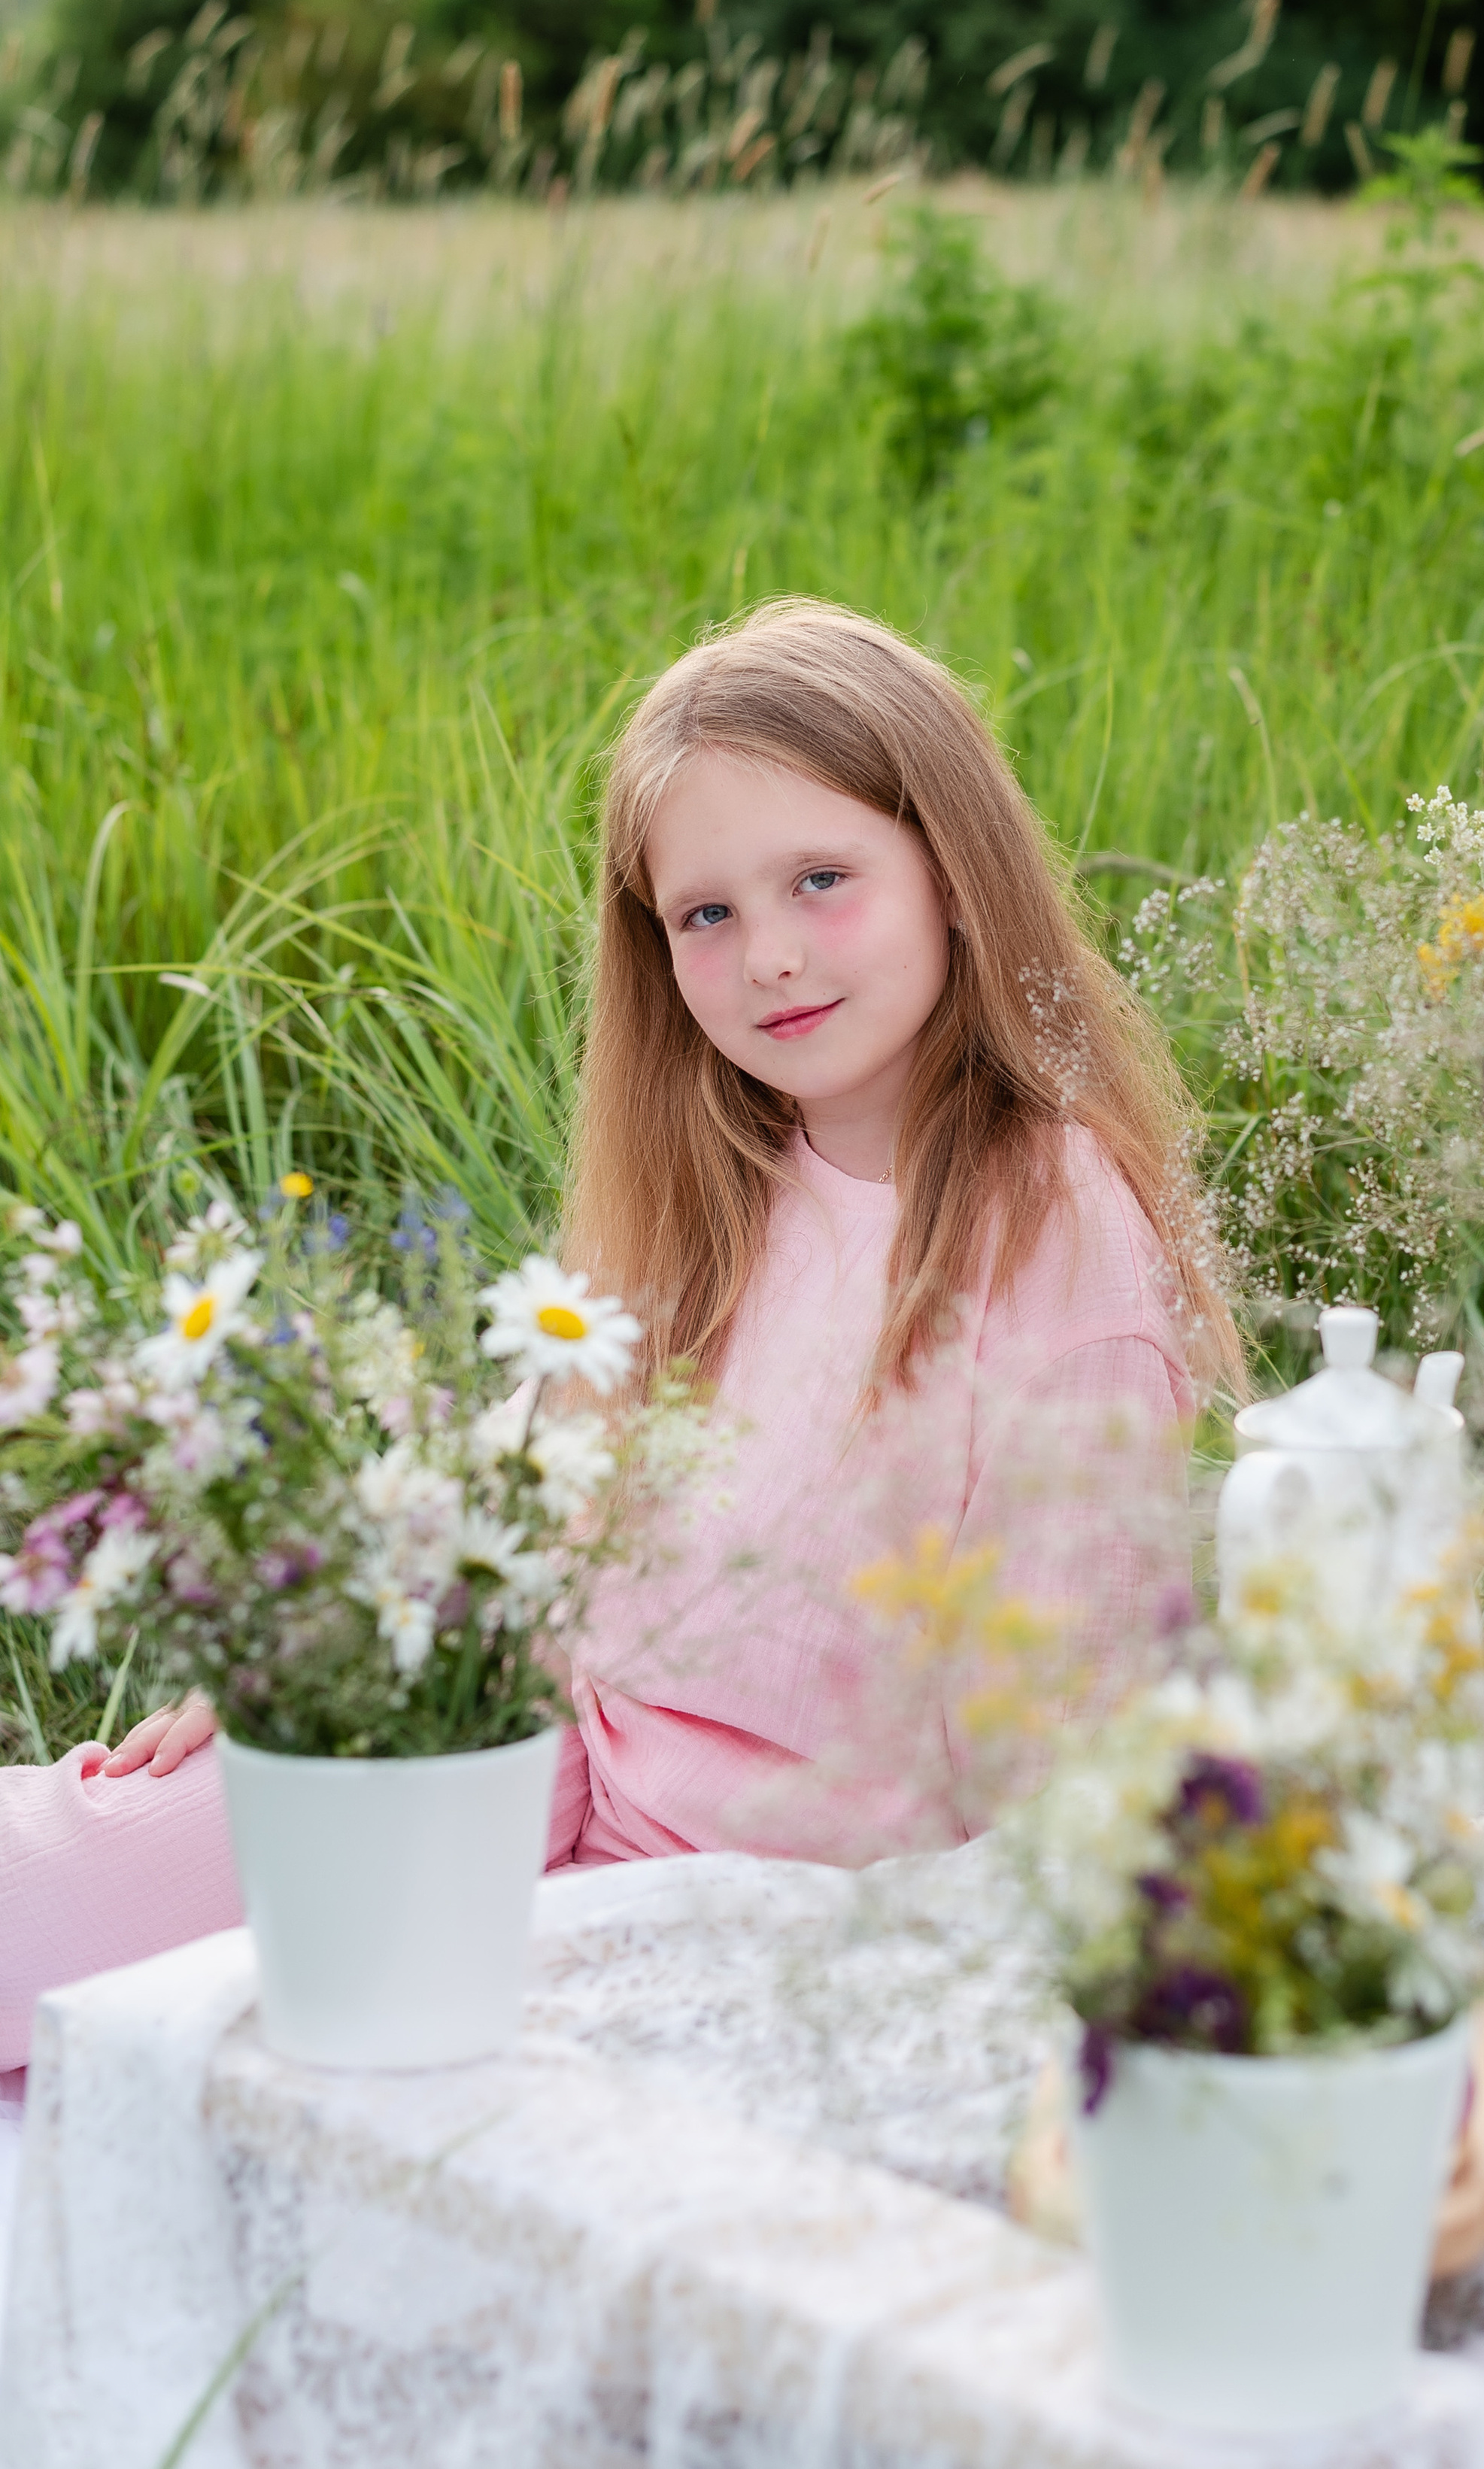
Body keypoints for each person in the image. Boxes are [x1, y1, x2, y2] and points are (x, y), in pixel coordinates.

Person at [0, 600, 1239, 2065]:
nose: (769, 955)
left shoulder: (1048, 1231)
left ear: (953, 871)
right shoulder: (715, 1175)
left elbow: (1057, 1774)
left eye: (821, 880)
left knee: (226, 2066)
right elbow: (521, 1510)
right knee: (47, 1887)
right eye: (706, 914)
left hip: (727, 1899)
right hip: (500, 1756)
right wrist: (319, 1662)